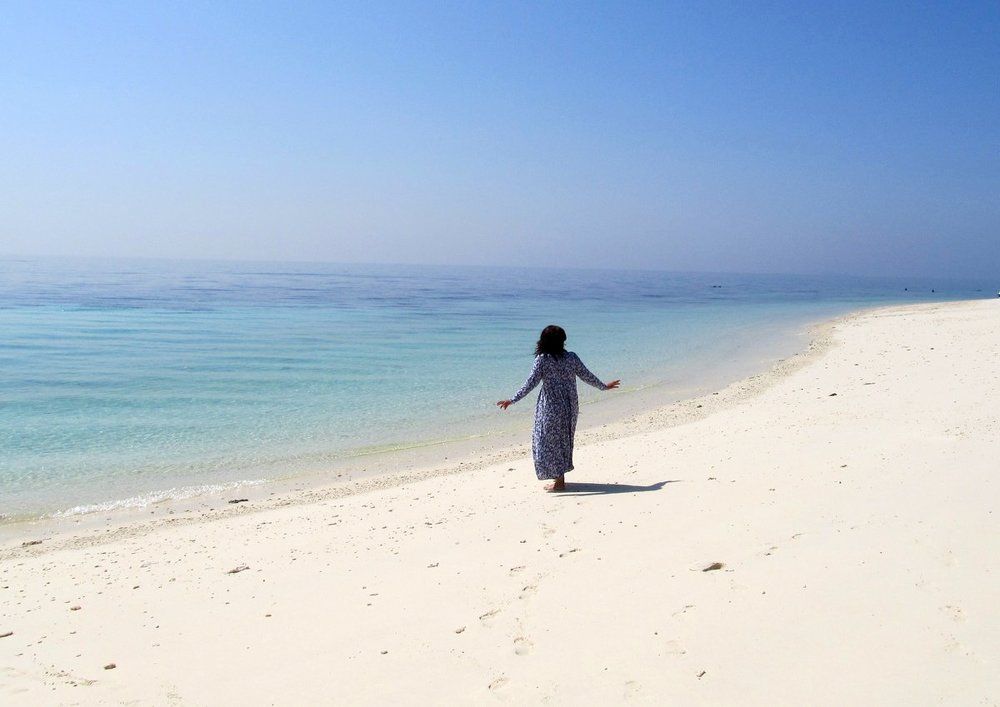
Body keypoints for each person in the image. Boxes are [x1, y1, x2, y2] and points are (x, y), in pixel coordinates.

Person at [497, 325, 620, 491]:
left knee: (546, 442)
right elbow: (586, 375)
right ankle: (559, 479)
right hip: (570, 406)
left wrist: (512, 400)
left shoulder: (542, 360)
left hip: (550, 407)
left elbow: (530, 383)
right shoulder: (571, 358)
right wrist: (603, 386)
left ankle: (559, 481)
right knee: (563, 441)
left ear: (544, 341)